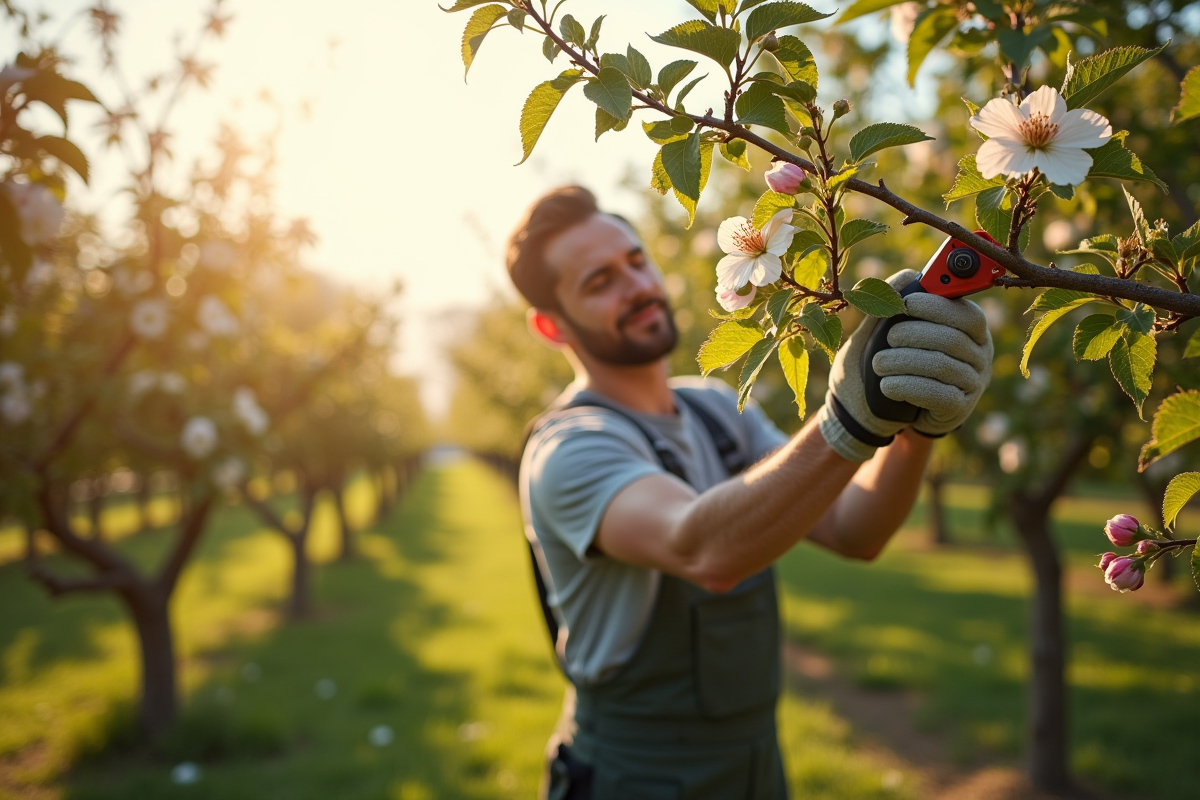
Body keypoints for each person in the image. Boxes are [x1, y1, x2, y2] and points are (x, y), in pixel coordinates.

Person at [511, 186, 993, 800]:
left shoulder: (713, 408)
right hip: (636, 774)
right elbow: (701, 550)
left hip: (755, 765)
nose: (635, 286)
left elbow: (857, 530)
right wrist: (846, 423)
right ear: (552, 325)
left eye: (635, 261)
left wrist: (918, 422)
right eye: (599, 281)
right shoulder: (568, 449)